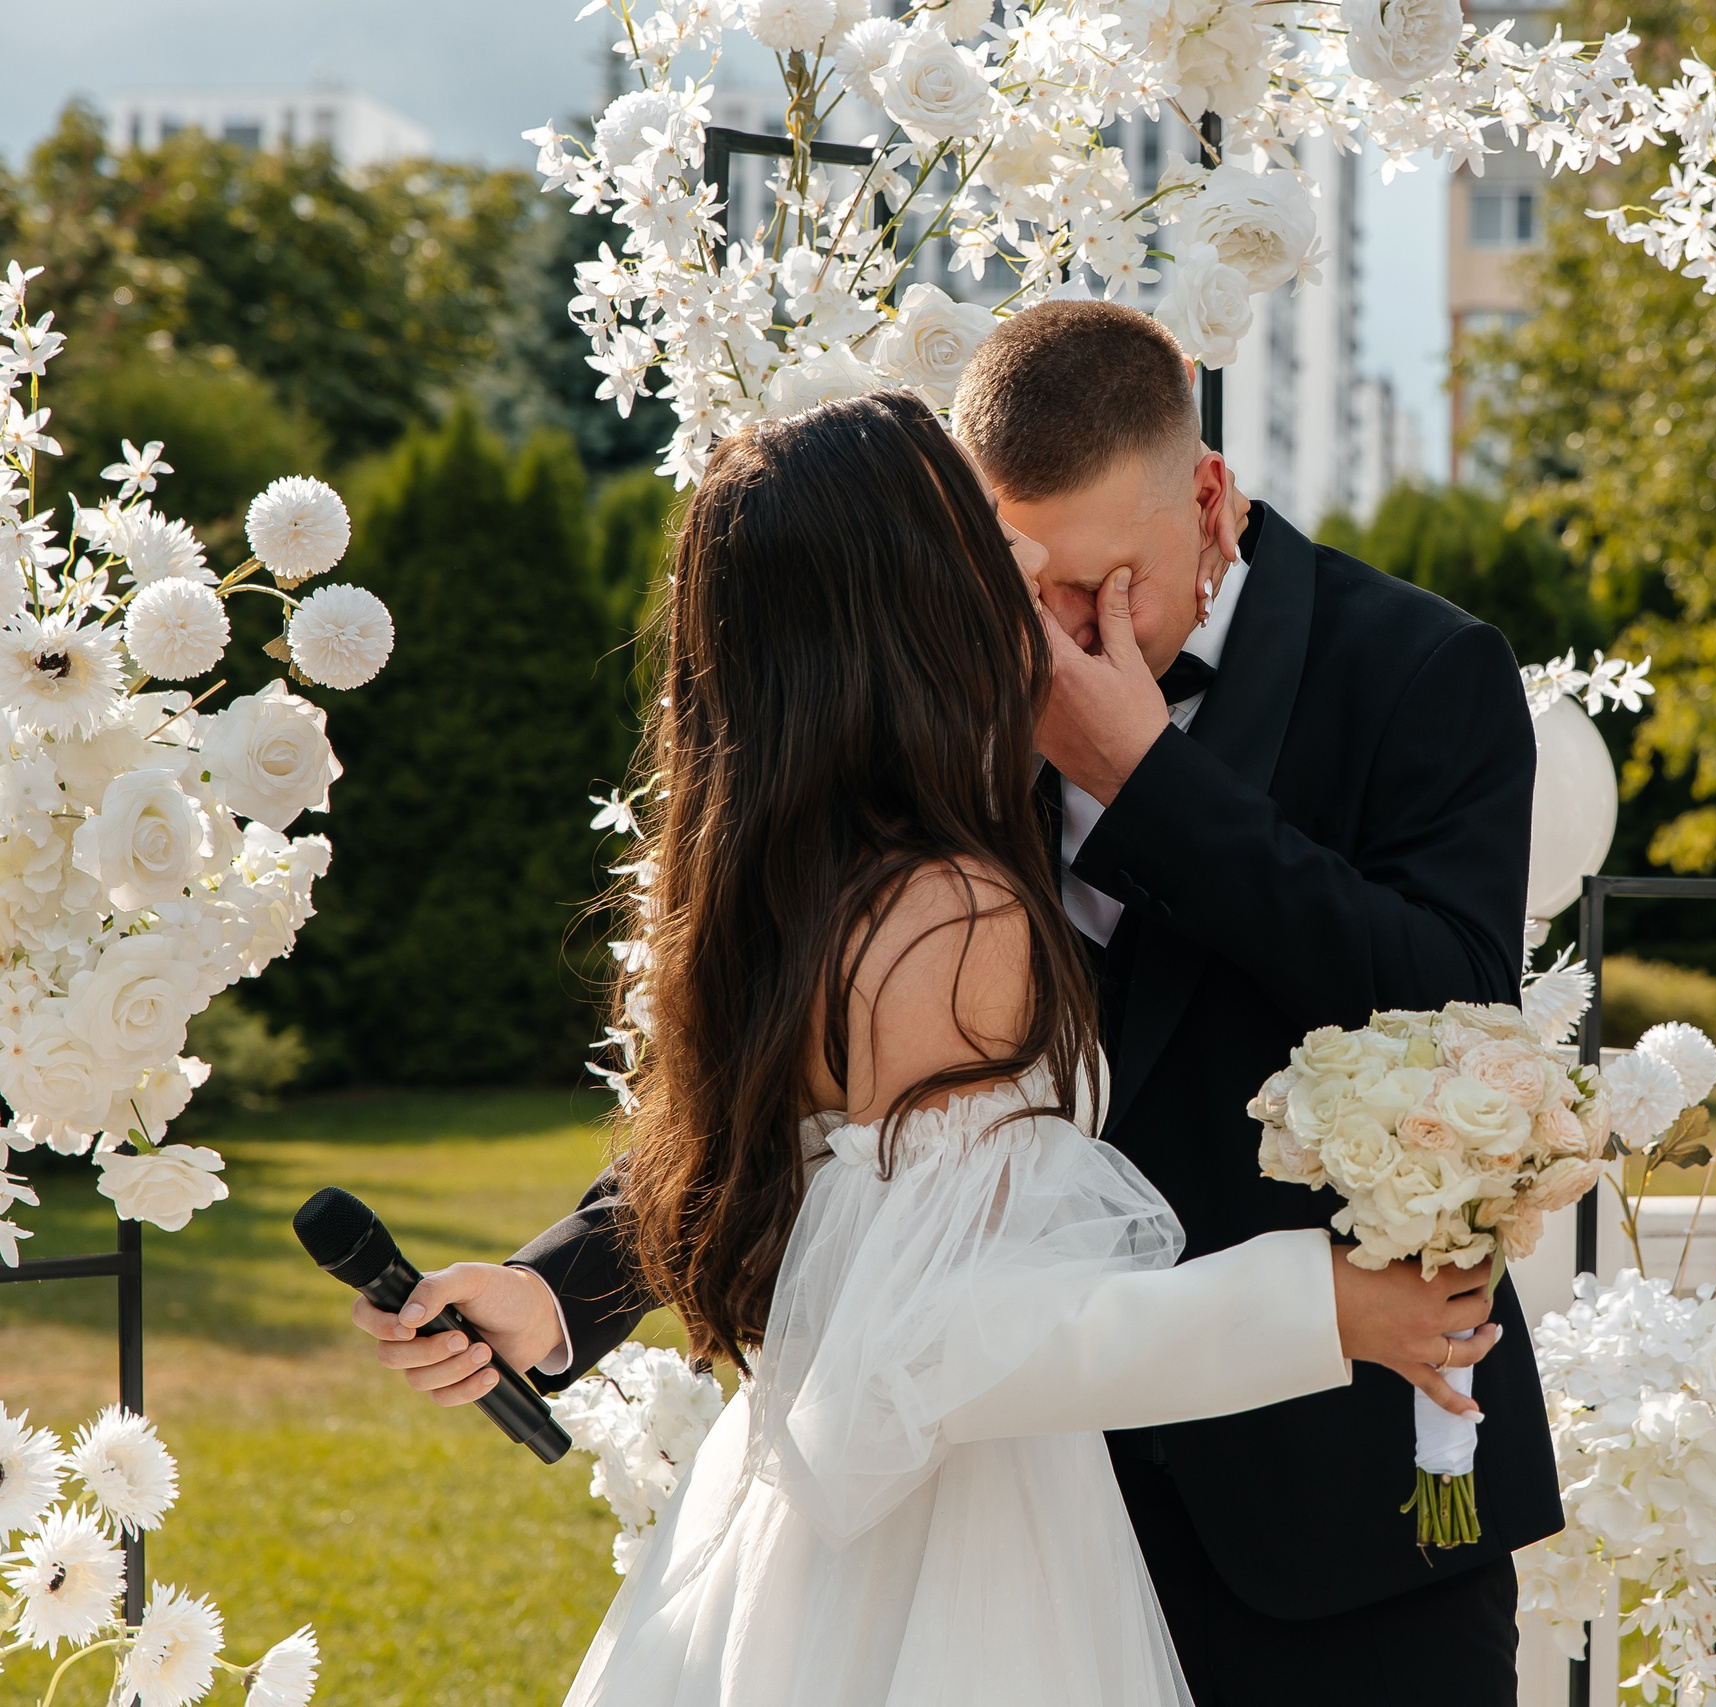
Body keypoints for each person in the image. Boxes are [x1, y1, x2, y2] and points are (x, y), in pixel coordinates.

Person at [357, 302, 1558, 1702]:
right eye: (1015, 578)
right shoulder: (946, 705)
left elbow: (1455, 1005)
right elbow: (849, 1095)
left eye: (1097, 589)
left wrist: (1147, 785)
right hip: (1016, 1512)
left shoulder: (1418, 670)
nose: (1044, 638)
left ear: (1210, 501)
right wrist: (564, 1287)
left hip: (1329, 1500)